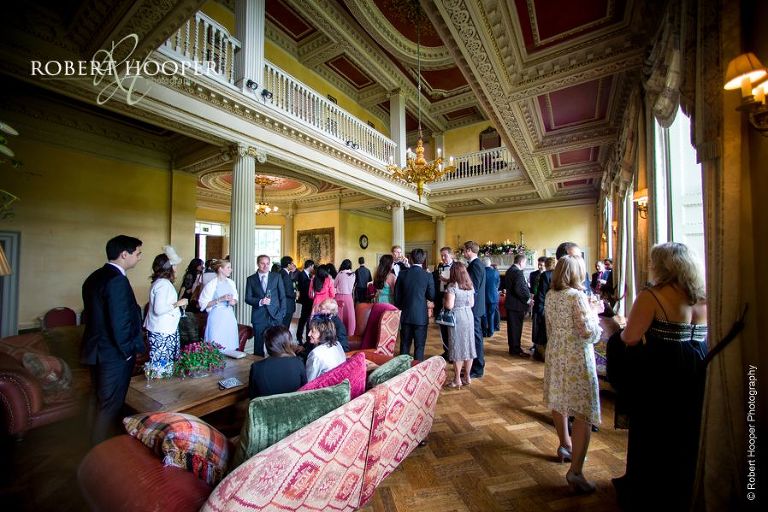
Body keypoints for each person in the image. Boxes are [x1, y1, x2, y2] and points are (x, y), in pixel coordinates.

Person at [612, 243, 707, 510]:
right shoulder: (703, 296)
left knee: (655, 432)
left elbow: (630, 338)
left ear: (663, 266)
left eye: (653, 262)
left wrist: (617, 330)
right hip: (699, 369)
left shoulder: (652, 296)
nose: (650, 265)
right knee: (688, 430)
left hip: (663, 373)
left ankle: (651, 490)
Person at [543, 255, 602, 494]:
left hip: (556, 352)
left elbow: (549, 327)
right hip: (576, 356)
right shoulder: (576, 296)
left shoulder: (551, 295)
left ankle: (565, 445)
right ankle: (576, 471)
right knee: (583, 410)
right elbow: (588, 333)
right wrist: (595, 312)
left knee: (559, 401)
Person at [81, 235, 145, 445]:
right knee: (110, 405)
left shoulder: (94, 277)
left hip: (96, 350)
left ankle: (90, 444)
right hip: (113, 353)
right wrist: (127, 351)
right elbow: (120, 321)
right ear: (124, 254)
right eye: (138, 253)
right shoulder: (117, 280)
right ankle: (100, 451)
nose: (139, 257)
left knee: (98, 401)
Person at [144, 247, 187, 372]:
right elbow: (159, 309)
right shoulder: (163, 284)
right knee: (161, 366)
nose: (176, 268)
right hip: (162, 331)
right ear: (170, 268)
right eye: (175, 266)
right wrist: (178, 303)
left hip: (164, 329)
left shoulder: (161, 282)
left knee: (165, 365)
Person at [394, 248, 435, 361]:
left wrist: (402, 307)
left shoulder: (402, 274)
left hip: (406, 315)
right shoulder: (427, 275)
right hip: (421, 316)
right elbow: (431, 296)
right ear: (423, 260)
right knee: (419, 347)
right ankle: (418, 369)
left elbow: (396, 297)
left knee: (404, 345)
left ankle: (402, 369)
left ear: (411, 259)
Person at [248, 325, 307, 398]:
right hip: (294, 404)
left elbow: (252, 398)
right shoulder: (298, 362)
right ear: (288, 342)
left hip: (266, 405)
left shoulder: (256, 367)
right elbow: (304, 391)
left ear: (267, 345)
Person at [245, 254, 286, 357]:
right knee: (258, 345)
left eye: (267, 263)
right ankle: (258, 365)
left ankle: (276, 364)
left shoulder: (276, 277)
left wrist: (282, 313)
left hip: (275, 316)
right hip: (259, 317)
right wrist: (260, 301)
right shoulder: (251, 279)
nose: (265, 266)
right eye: (262, 263)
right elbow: (248, 298)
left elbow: (282, 296)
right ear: (257, 264)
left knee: (277, 344)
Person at [443, 263, 476, 388]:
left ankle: (457, 379)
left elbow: (449, 305)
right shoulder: (469, 285)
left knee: (457, 347)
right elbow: (472, 304)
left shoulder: (452, 286)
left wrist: (444, 300)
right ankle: (467, 376)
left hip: (457, 316)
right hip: (469, 315)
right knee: (469, 345)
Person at [198, 259, 239, 351]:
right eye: (228, 267)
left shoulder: (231, 283)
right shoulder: (211, 284)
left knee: (229, 341)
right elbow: (203, 304)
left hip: (229, 315)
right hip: (216, 316)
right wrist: (220, 299)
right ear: (220, 269)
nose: (231, 269)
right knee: (216, 341)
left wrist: (233, 301)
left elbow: (235, 298)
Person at [463, 241, 487, 378]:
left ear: (469, 250)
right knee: (474, 337)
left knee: (476, 338)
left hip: (474, 307)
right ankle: (473, 366)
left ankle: (478, 368)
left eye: (464, 250)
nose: (463, 253)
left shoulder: (476, 265)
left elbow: (474, 288)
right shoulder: (476, 264)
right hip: (476, 307)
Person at [504, 253, 532, 357]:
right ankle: (515, 349)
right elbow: (519, 289)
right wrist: (528, 300)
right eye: (525, 262)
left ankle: (513, 348)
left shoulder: (510, 270)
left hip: (511, 304)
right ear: (521, 262)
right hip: (517, 305)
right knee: (516, 328)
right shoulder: (517, 272)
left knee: (512, 328)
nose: (525, 265)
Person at [305, 314, 346, 381]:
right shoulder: (337, 344)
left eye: (312, 331)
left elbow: (309, 381)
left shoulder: (316, 354)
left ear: (323, 333)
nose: (309, 334)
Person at [532, 257, 556, 359]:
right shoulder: (557, 274)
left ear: (546, 265)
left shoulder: (545, 275)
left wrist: (540, 309)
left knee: (541, 331)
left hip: (544, 305)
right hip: (554, 306)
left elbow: (541, 293)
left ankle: (541, 354)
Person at [433, 246, 454, 359]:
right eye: (442, 256)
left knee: (452, 328)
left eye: (445, 255)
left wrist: (447, 280)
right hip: (440, 298)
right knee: (443, 327)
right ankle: (446, 351)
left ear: (451, 255)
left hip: (452, 301)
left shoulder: (456, 266)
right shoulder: (440, 267)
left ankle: (453, 352)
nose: (443, 258)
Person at [333, 259, 356, 336]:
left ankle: (338, 332)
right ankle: (349, 332)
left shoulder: (340, 274)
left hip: (339, 297)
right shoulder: (353, 275)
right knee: (349, 316)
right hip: (349, 298)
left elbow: (334, 285)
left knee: (339, 316)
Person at [296, 260, 314, 343]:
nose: (313, 268)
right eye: (312, 266)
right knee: (303, 319)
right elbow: (302, 287)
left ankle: (303, 337)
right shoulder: (302, 274)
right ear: (310, 266)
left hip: (308, 300)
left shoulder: (308, 275)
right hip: (305, 300)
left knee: (305, 319)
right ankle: (299, 336)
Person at [482, 257, 500, 337]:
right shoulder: (496, 272)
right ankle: (491, 331)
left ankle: (484, 331)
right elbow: (497, 284)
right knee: (491, 314)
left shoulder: (481, 272)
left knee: (484, 315)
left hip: (483, 296)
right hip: (493, 296)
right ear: (490, 263)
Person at [279, 256, 297, 328]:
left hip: (282, 303)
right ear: (288, 265)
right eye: (292, 263)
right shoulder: (285, 275)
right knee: (285, 326)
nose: (293, 265)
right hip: (287, 304)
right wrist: (296, 294)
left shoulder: (281, 272)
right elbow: (288, 292)